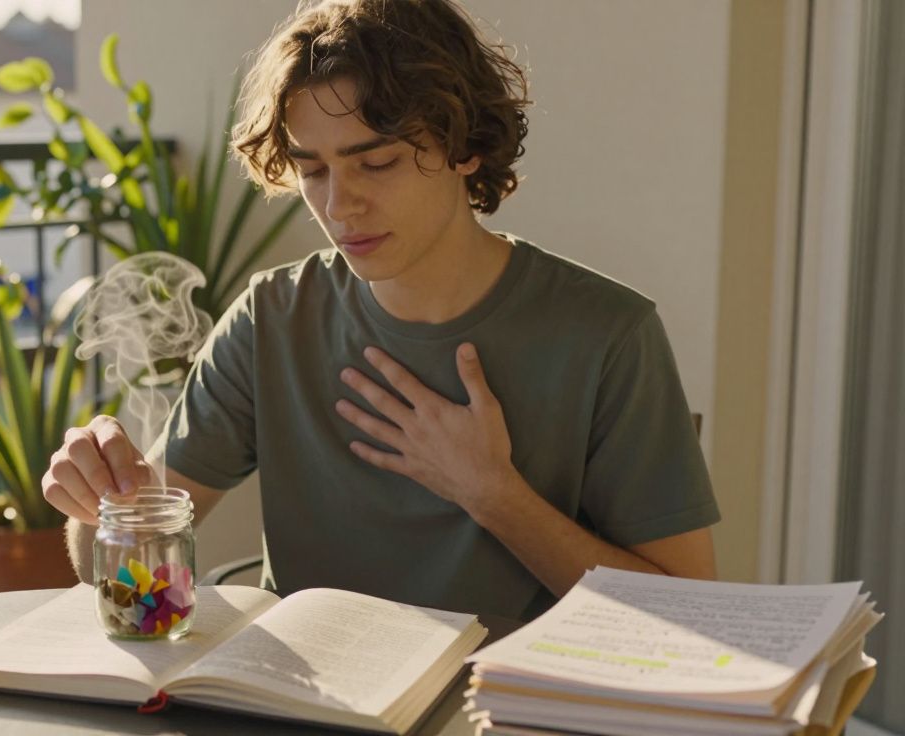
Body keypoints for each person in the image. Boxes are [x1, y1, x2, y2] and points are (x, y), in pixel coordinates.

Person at [42, 0, 719, 620]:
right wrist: (104, 503)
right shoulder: (272, 319)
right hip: (304, 708)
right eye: (312, 170)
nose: (339, 206)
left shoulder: (607, 336)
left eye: (378, 162)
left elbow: (683, 614)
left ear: (466, 147)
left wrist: (494, 495)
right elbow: (123, 569)